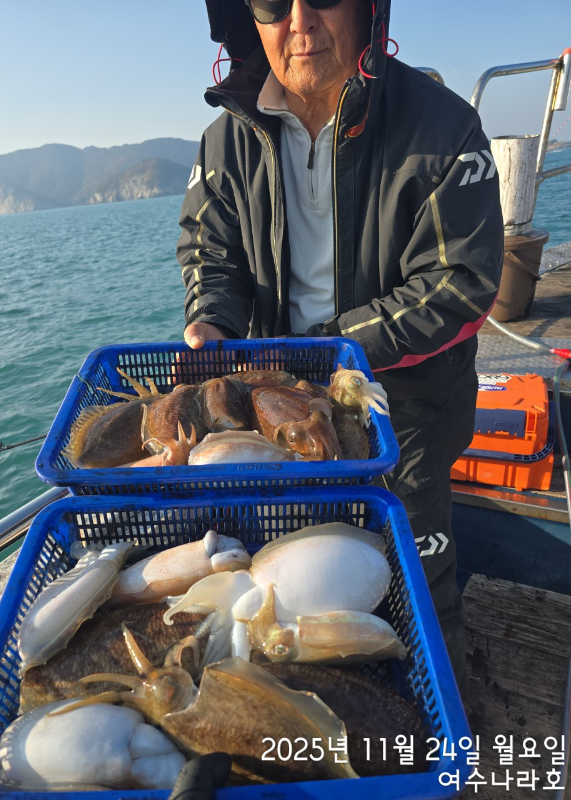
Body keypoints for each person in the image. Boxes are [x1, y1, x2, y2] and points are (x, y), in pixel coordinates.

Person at [177, 0, 504, 689]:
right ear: (248, 20)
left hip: (404, 409)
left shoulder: (444, 127)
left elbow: (460, 283)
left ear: (366, 10)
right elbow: (212, 256)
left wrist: (327, 351)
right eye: (271, 3)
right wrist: (211, 319)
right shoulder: (220, 143)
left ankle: (435, 733)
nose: (300, 22)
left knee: (417, 582)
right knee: (282, 581)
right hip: (277, 408)